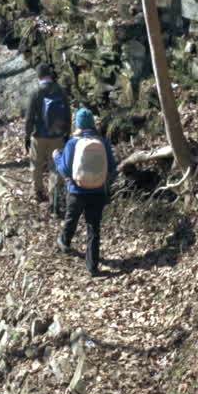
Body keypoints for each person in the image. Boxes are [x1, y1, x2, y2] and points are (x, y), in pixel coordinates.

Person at [52, 108, 117, 276]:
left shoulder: (73, 143)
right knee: (93, 228)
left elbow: (65, 169)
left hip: (76, 191)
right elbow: (111, 167)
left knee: (71, 218)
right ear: (93, 125)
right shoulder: (103, 142)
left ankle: (65, 242)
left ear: (78, 124)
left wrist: (56, 156)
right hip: (97, 191)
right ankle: (92, 267)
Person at [23, 63, 70, 205]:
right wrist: (66, 133)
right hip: (57, 136)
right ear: (50, 74)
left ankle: (38, 193)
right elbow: (68, 114)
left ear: (38, 76)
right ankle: (54, 198)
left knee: (36, 165)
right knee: (55, 167)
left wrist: (27, 136)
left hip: (38, 136)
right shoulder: (61, 91)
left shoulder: (35, 92)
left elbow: (29, 118)